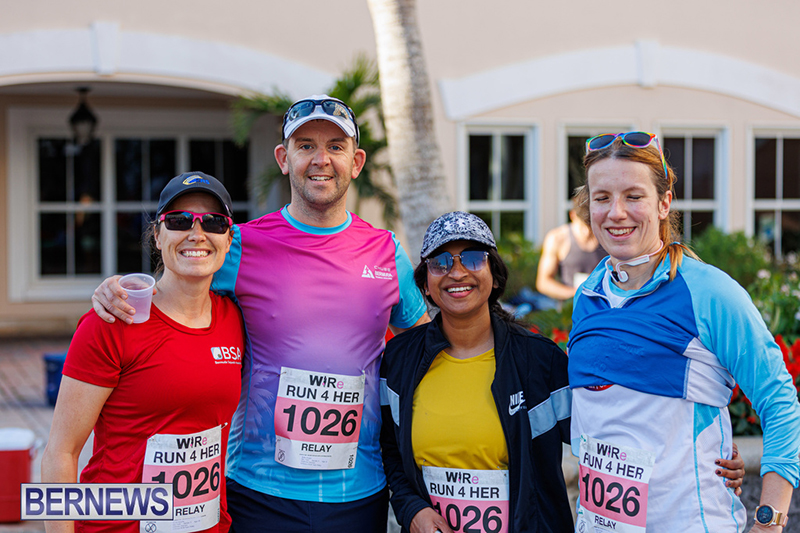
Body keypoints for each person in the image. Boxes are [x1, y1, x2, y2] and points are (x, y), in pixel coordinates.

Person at [91, 95, 429, 533]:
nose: (321, 160)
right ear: (283, 159)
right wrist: (118, 289)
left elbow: (423, 350)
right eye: (305, 146)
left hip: (358, 490)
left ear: (356, 162)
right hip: (258, 489)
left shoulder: (387, 252)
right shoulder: (240, 244)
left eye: (335, 147)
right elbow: (177, 284)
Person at [379, 212, 745, 533]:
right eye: (441, 262)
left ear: (495, 274)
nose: (457, 272)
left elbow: (612, 426)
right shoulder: (399, 361)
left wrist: (705, 455)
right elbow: (391, 452)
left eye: (473, 258)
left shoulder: (539, 361)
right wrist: (412, 509)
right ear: (425, 283)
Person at [568, 131, 800, 532]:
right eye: (602, 198)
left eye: (633, 196)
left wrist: (770, 520)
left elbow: (779, 401)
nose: (616, 213)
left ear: (664, 203)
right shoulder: (588, 294)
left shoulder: (709, 291)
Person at [42, 172, 245, 533]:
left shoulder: (236, 319)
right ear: (157, 235)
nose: (197, 233)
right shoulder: (112, 320)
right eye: (179, 221)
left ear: (228, 239)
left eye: (213, 222)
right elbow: (61, 452)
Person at [536, 196, 606, 300]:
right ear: (572, 215)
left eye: (591, 227)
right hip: (570, 304)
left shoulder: (607, 238)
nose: (587, 232)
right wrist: (576, 293)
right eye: (583, 226)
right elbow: (543, 282)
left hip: (604, 304)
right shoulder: (557, 238)